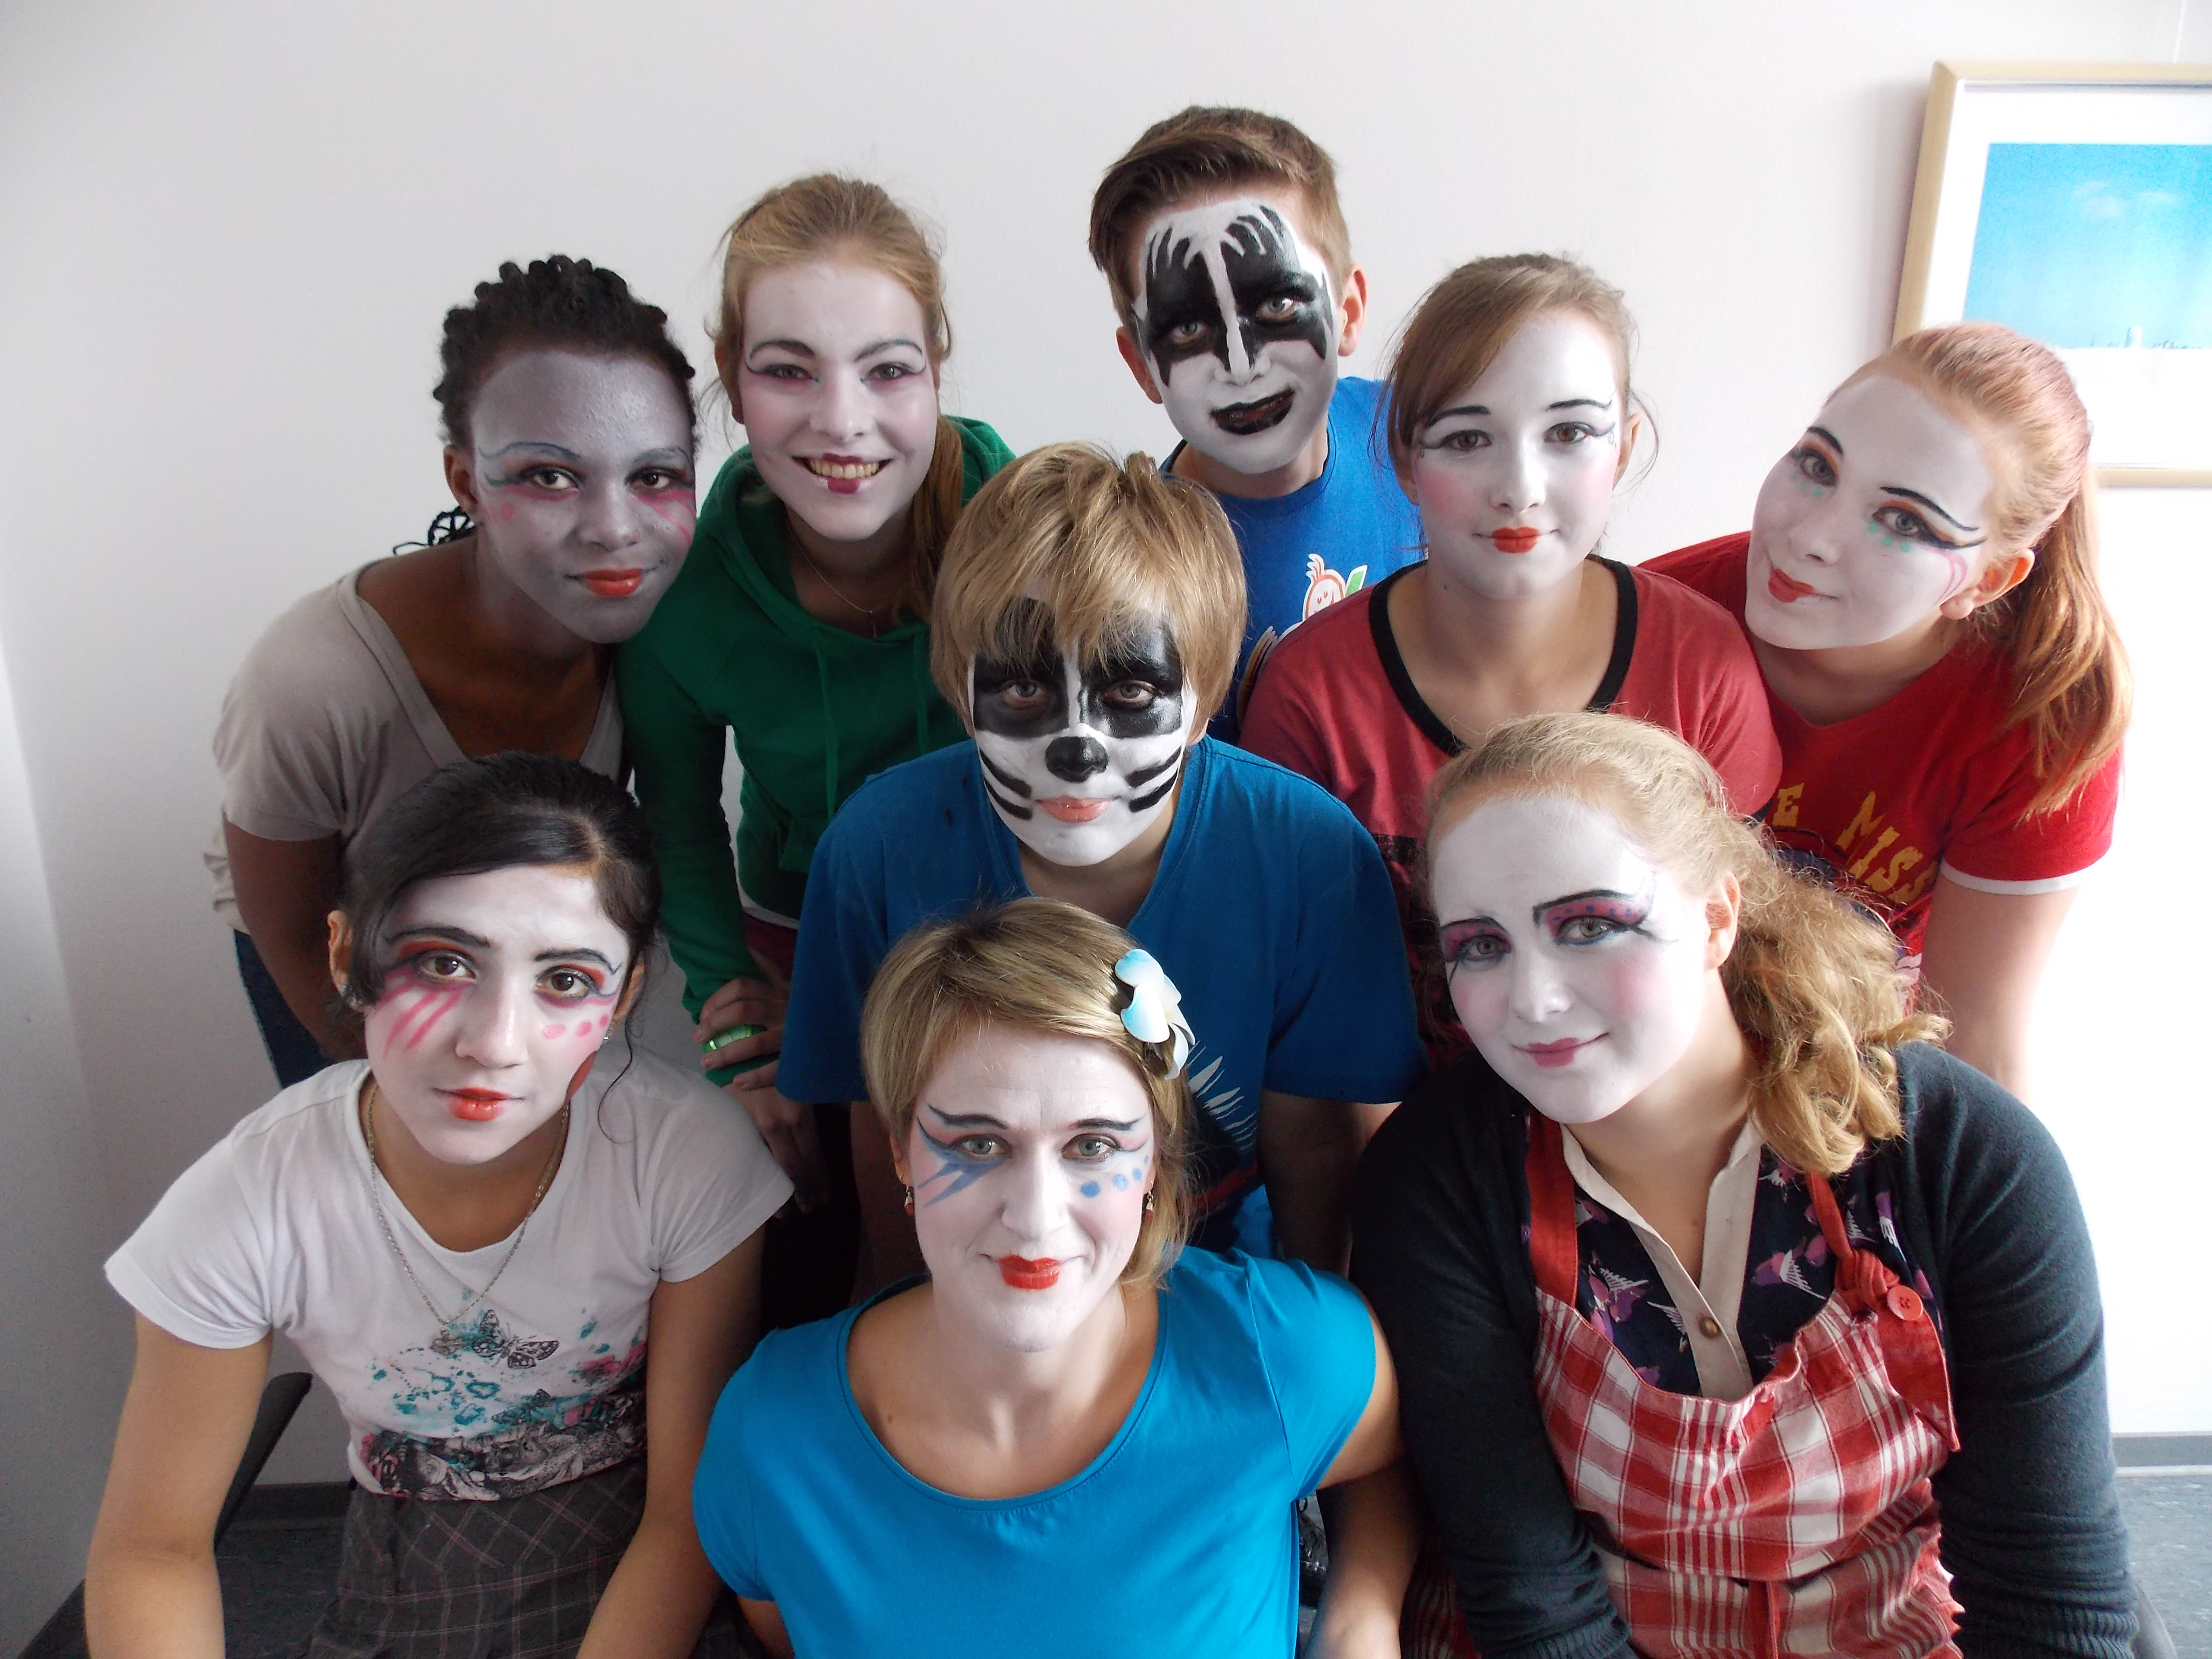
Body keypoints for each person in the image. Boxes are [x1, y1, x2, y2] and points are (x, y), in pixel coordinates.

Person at [1353, 712, 2137, 1659]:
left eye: (1590, 925)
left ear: (1717, 919)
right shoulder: (1439, 1179)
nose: (1534, 1000)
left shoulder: (1956, 1156)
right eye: (1482, 946)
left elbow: (2047, 1588)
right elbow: (1529, 1592)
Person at [92, 754, 791, 1656]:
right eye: (445, 963)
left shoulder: (681, 1155)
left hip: (647, 1549)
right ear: (346, 956)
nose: (495, 1044)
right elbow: (154, 1548)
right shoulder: (252, 1196)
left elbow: (684, 1512)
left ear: (622, 998)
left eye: (564, 981)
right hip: (412, 1557)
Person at [778, 441, 1426, 1285]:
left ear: (1203, 702)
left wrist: (1313, 1329)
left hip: (1221, 1275)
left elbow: (1317, 1145)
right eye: (1022, 689)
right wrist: (917, 1317)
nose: (1076, 749)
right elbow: (883, 1129)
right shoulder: (878, 850)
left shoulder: (1308, 855)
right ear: (961, 690)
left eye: (1129, 692)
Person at [695, 900, 1414, 1658]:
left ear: (1155, 1162)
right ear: (900, 1149)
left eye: (1092, 1146)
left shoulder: (1280, 1354)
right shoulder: (769, 1437)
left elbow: (1389, 1455)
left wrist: (1361, 1615)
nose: (1036, 1219)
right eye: (979, 1144)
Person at [618, 175, 1014, 1324]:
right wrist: (749, 1046)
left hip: (1004, 927)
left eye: (887, 370)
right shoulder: (686, 589)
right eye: (790, 371)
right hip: (798, 937)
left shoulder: (1017, 519)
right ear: (731, 381)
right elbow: (678, 820)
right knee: (803, 1237)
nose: (842, 423)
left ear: (936, 371)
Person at [1245, 254, 1780, 1065]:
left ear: (1624, 448)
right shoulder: (1311, 693)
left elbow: (1735, 973)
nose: (1519, 488)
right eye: (1468, 439)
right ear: (1404, 460)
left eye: (1569, 434)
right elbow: (1309, 1007)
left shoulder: (1702, 670)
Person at [211, 254, 697, 1088]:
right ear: (466, 482)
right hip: (346, 977)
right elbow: (294, 942)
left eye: (653, 476)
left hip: (539, 962)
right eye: (551, 477)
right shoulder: (313, 683)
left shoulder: (662, 629)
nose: (615, 529)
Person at [1647, 321, 2130, 1096]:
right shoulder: (1647, 620)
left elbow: (1975, 1034)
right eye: (1818, 465)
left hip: (1856, 1080)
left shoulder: (2044, 718)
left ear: (1989, 580)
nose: (1812, 537)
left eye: (1904, 520)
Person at [1087, 106, 1424, 737]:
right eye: (1188, 327)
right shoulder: (1138, 580)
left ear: (1348, 312)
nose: (1242, 365)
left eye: (1278, 303)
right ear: (1142, 366)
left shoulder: (1424, 439)